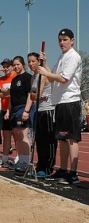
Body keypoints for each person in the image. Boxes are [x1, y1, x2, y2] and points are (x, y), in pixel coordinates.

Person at [38, 28, 82, 185]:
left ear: (72, 41)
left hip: (70, 100)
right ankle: (63, 170)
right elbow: (51, 78)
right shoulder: (62, 57)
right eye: (60, 40)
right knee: (62, 138)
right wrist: (46, 63)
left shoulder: (73, 56)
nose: (62, 42)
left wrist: (45, 72)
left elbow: (63, 79)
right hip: (59, 102)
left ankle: (73, 173)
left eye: (65, 39)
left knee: (71, 138)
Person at [28, 52, 57, 177]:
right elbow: (33, 95)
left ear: (38, 62)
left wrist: (36, 95)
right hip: (38, 110)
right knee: (39, 140)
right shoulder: (33, 78)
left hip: (48, 110)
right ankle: (40, 166)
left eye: (33, 61)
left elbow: (37, 94)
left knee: (48, 140)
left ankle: (48, 168)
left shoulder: (43, 75)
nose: (30, 64)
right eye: (29, 61)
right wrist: (36, 95)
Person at [4, 56, 33, 172]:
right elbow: (11, 97)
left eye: (18, 64)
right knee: (17, 136)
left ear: (23, 65)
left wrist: (26, 110)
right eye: (14, 65)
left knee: (23, 135)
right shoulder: (14, 79)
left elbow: (30, 94)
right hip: (14, 109)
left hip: (23, 107)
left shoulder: (27, 78)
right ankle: (21, 160)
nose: (16, 67)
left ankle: (26, 162)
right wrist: (8, 111)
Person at [0, 58, 17, 168]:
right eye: (4, 66)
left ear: (12, 67)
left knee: (17, 135)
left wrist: (4, 91)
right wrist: (7, 92)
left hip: (15, 109)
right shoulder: (1, 79)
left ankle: (19, 159)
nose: (6, 68)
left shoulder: (16, 77)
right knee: (6, 135)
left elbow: (16, 92)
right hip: (3, 109)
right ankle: (5, 159)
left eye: (8, 66)